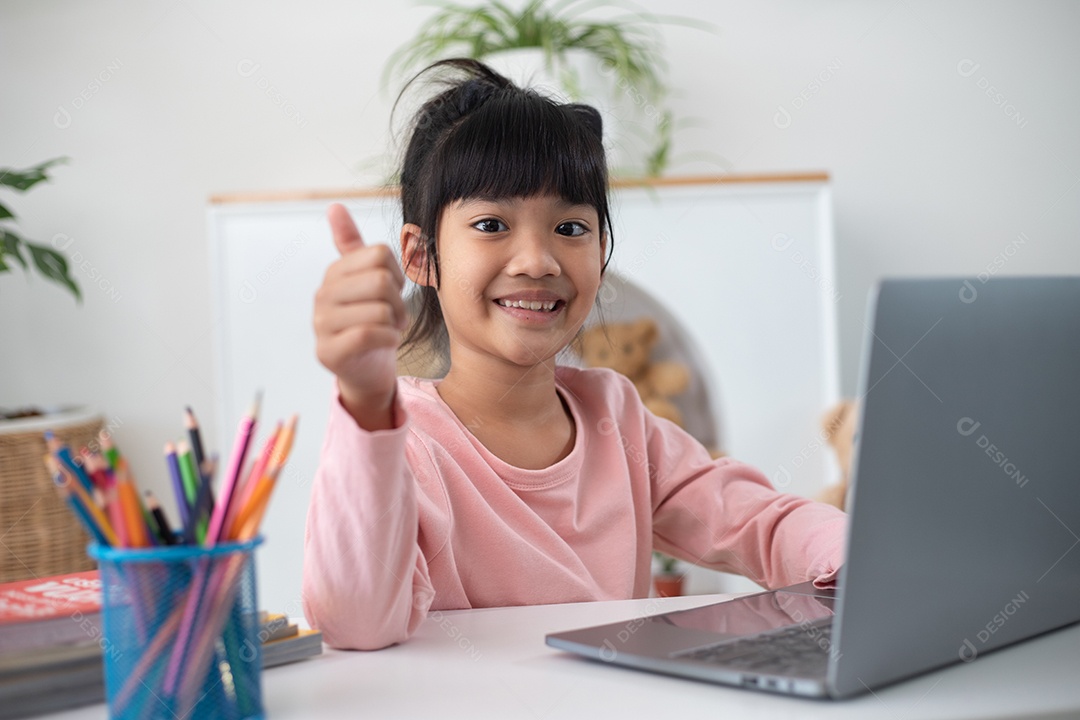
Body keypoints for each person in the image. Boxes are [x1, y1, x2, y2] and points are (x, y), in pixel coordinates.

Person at [303, 58, 847, 651]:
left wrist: (859, 557)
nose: (537, 260)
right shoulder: (404, 443)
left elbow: (759, 522)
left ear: (602, 247)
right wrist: (363, 398)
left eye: (570, 228)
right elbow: (355, 622)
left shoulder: (618, 415)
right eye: (491, 223)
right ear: (420, 255)